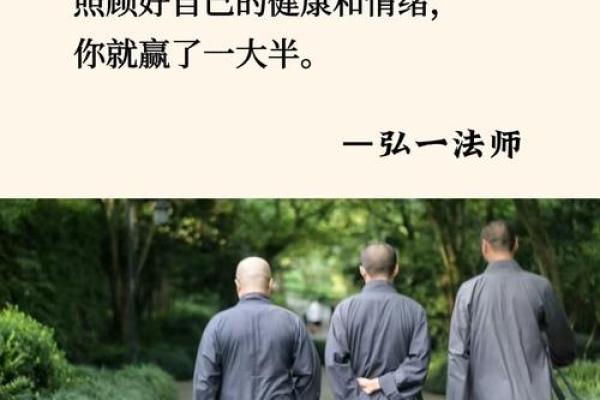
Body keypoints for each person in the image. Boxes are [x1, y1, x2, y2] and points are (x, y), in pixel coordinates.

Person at [447, 220, 576, 400]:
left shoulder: (468, 291)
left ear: (484, 246)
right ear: (516, 244)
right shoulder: (540, 287)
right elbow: (564, 348)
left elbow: (458, 357)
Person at [193, 256, 321, 400]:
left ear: (237, 284)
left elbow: (205, 383)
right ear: (270, 284)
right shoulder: (292, 323)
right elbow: (309, 374)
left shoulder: (217, 325)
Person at [325, 243, 431, 400]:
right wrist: (384, 383)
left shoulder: (344, 310)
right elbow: (419, 364)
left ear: (362, 270)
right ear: (396, 269)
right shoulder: (415, 311)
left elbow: (335, 364)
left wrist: (360, 396)